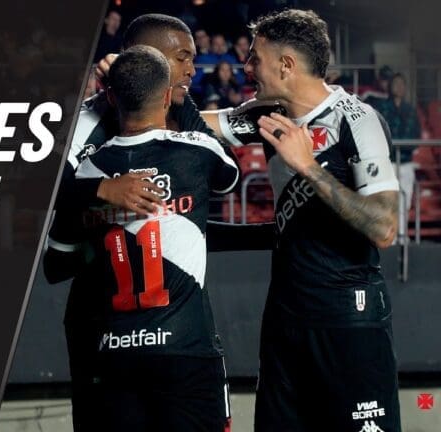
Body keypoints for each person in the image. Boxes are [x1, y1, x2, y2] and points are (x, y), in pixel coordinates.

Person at [198, 9, 401, 431]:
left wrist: (307, 166)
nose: (246, 67)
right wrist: (130, 83)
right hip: (286, 318)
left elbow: (384, 227)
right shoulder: (267, 114)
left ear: (286, 65)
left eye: (255, 58)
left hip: (347, 318)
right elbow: (195, 126)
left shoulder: (357, 119)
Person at [45, 45, 239, 432]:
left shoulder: (86, 171)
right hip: (186, 349)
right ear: (166, 96)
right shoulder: (197, 152)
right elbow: (228, 176)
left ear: (111, 98)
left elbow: (56, 265)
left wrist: (109, 226)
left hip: (115, 353)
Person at [368, 73, 421, 243]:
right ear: (390, 87)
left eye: (402, 84)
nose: (399, 87)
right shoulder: (382, 108)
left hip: (406, 162)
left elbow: (415, 135)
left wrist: (404, 147)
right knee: (387, 200)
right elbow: (379, 132)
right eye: (396, 83)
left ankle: (402, 235)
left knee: (405, 201)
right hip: (388, 161)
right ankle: (389, 237)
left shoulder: (410, 110)